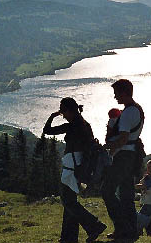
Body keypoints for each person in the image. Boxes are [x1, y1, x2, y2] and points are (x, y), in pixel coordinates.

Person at [43, 97, 107, 243]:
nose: (63, 115)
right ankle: (68, 238)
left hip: (72, 168)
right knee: (69, 202)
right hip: (79, 167)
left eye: (63, 111)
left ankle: (94, 226)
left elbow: (47, 130)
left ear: (69, 110)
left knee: (68, 201)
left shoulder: (73, 125)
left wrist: (52, 116)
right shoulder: (85, 125)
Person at [102, 79, 144, 242]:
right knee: (126, 195)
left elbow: (123, 139)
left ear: (125, 93)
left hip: (124, 157)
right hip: (131, 156)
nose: (115, 97)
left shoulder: (127, 113)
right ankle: (130, 231)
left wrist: (107, 147)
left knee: (107, 191)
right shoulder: (136, 109)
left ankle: (122, 228)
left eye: (117, 93)